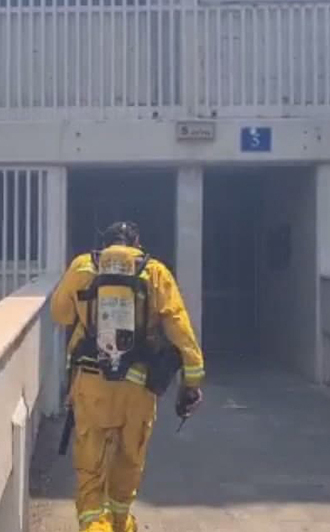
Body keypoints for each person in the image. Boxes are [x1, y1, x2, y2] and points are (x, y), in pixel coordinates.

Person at [51, 221, 206, 532]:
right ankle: (121, 523)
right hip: (138, 388)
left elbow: (61, 314)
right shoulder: (153, 271)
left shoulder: (84, 266)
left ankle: (96, 525)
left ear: (104, 244)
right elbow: (179, 327)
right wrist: (192, 380)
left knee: (90, 477)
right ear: (137, 243)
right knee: (127, 466)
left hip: (92, 384)